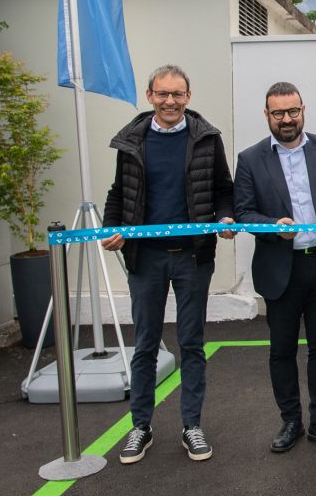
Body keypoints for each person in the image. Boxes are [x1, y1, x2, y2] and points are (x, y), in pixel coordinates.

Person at [101, 65, 235, 465]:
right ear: (150, 96)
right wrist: (112, 230)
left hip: (193, 257)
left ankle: (191, 426)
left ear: (188, 97)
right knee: (145, 346)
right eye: (163, 94)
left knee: (192, 345)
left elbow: (224, 190)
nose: (170, 101)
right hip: (145, 259)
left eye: (177, 94)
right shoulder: (131, 141)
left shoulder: (207, 140)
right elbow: (117, 193)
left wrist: (226, 218)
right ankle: (140, 427)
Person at [233, 82, 316, 453]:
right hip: (280, 269)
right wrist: (273, 228)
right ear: (267, 115)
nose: (287, 119)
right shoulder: (250, 158)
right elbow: (243, 213)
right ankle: (291, 422)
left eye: (293, 111)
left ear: (303, 109)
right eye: (278, 113)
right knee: (281, 351)